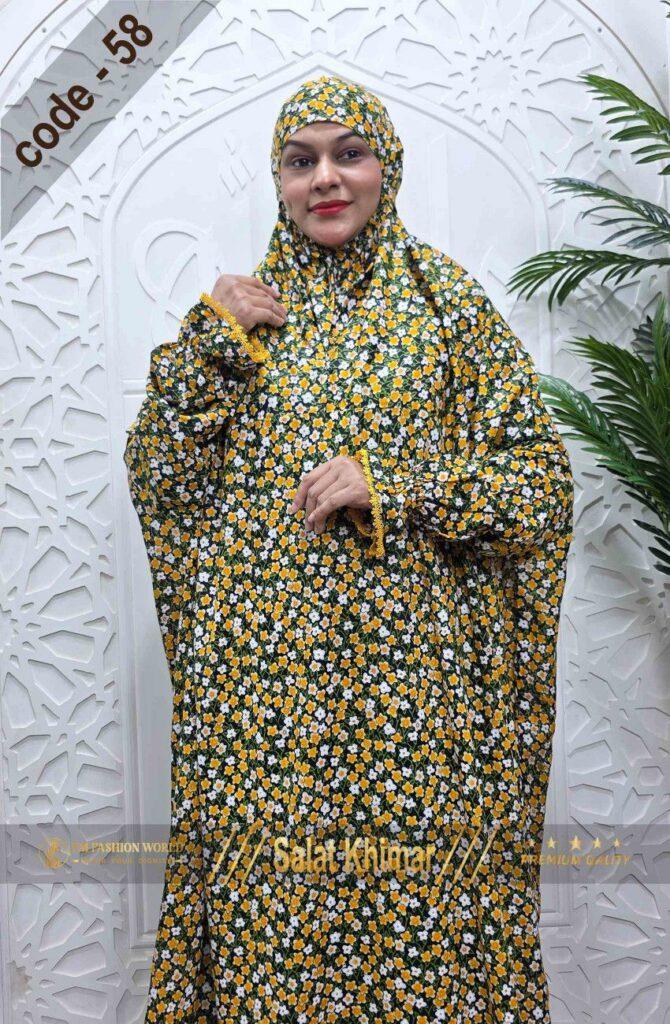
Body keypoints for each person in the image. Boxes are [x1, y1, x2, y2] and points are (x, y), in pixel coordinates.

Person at [124, 73, 574, 1024]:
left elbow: (540, 484)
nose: (325, 178)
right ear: (279, 181)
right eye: (301, 161)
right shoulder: (241, 316)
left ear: (386, 167)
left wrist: (396, 488)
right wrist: (209, 343)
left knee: (421, 918)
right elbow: (161, 476)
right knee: (273, 918)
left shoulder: (446, 304)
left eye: (348, 154)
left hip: (417, 703)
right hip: (266, 704)